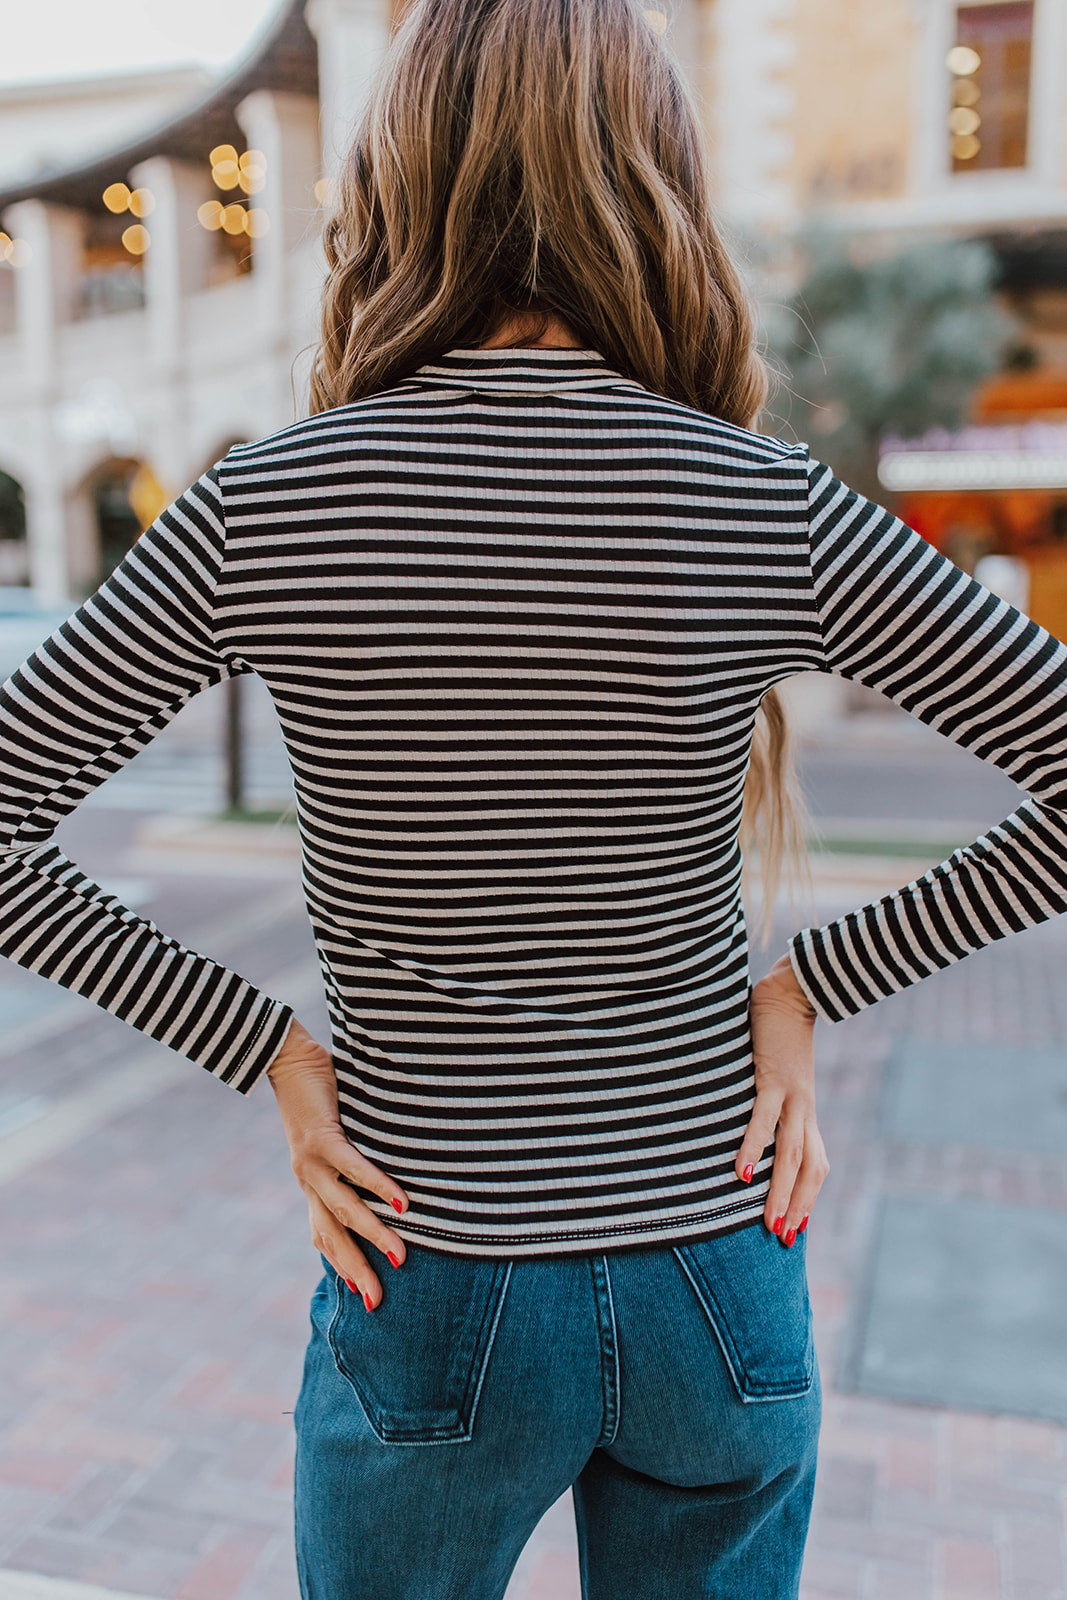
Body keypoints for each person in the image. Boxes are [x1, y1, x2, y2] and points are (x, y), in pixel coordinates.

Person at [3, 0, 1067, 1596]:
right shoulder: (756, 501)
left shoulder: (272, 502)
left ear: (403, 178)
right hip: (719, 1261)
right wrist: (805, 994)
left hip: (429, 1258)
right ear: (655, 180)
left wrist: (278, 1060)